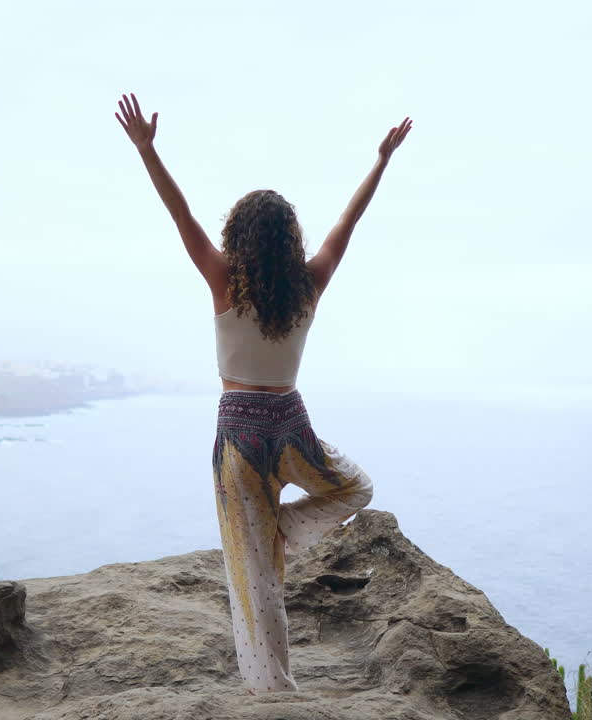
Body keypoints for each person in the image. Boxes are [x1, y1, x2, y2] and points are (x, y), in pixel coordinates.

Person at [114, 92, 411, 694]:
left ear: (240, 237)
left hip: (240, 435)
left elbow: (181, 216)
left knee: (254, 577)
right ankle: (282, 532)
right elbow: (346, 225)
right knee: (357, 485)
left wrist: (148, 152)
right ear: (288, 239)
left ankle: (272, 687)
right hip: (290, 422)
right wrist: (380, 161)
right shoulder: (308, 284)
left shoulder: (224, 279)